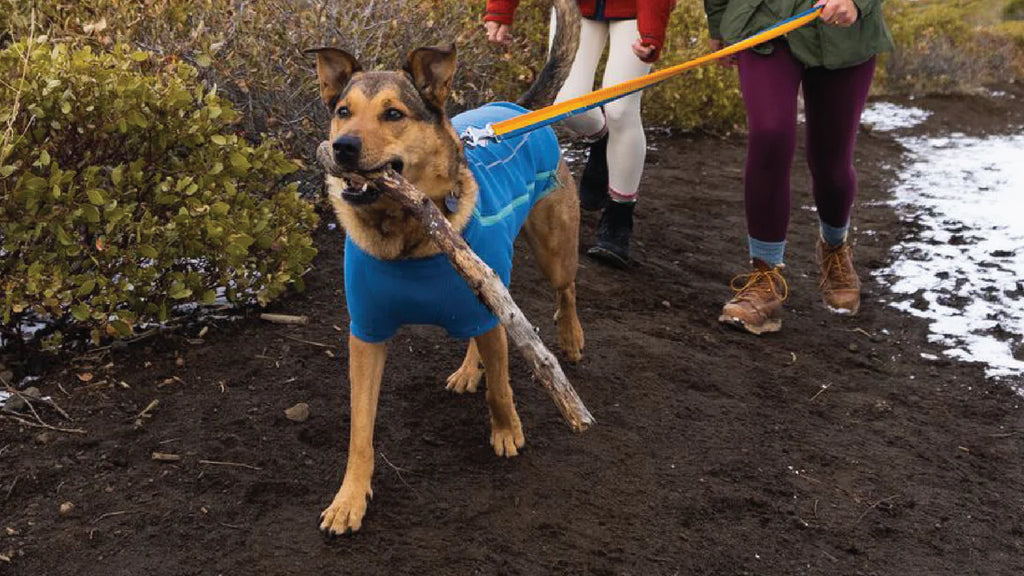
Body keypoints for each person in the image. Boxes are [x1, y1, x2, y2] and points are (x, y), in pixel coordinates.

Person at [705, 0, 894, 334]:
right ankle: (765, 278)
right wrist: (720, 21)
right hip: (760, 18)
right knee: (769, 134)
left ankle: (835, 247)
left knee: (832, 162)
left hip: (844, 29)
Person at [484, 0, 676, 268]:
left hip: (637, 9)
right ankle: (601, 140)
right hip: (574, 6)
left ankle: (619, 216)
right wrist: (500, 10)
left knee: (620, 108)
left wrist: (652, 32)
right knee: (568, 105)